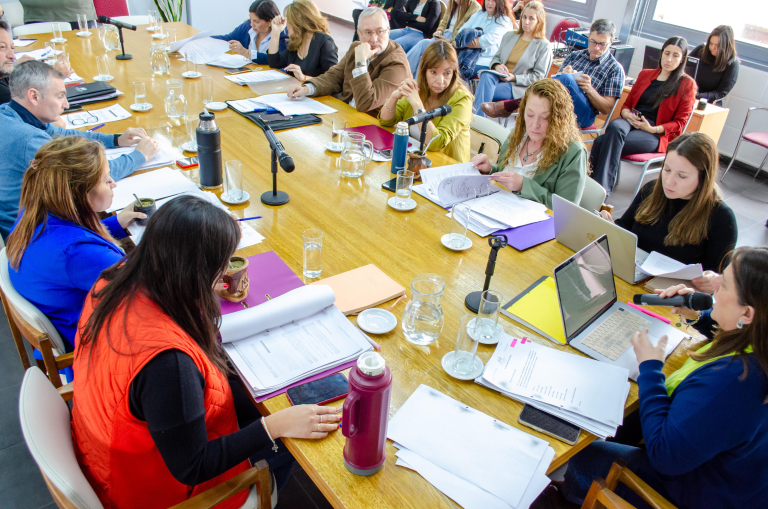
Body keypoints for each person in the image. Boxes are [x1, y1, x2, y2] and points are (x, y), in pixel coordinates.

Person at [71, 195, 342, 508]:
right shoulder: (167, 364)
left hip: (112, 447)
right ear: (194, 270)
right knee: (291, 446)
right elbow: (193, 466)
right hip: (156, 486)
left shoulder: (113, 279)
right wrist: (276, 425)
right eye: (221, 265)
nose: (226, 273)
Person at [536, 247, 768, 509]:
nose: (713, 283)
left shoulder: (732, 382)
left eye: (724, 284)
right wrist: (699, 315)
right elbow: (732, 337)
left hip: (702, 493)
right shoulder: (759, 347)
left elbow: (665, 456)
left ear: (747, 314)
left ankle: (570, 500)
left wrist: (650, 368)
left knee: (586, 457)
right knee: (619, 424)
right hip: (737, 477)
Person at [5, 137, 145, 351]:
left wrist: (116, 222)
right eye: (106, 180)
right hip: (97, 350)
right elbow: (147, 291)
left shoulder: (32, 215)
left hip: (68, 324)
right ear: (80, 194)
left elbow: (69, 240)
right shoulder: (77, 254)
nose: (113, 184)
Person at [0, 61, 158, 240]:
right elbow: (93, 175)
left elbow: (61, 134)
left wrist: (115, 140)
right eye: (60, 96)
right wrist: (140, 156)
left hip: (33, 223)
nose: (66, 104)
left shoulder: (9, 112)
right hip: (31, 235)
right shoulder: (29, 140)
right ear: (34, 96)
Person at [599, 132, 737, 273]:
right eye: (667, 169)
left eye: (682, 176)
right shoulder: (651, 190)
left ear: (703, 178)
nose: (669, 181)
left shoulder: (722, 218)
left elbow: (717, 273)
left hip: (674, 290)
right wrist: (609, 226)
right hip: (631, 273)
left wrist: (711, 278)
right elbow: (625, 228)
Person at [590, 36, 697, 194]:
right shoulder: (646, 74)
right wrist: (627, 115)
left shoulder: (686, 84)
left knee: (601, 141)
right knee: (615, 127)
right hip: (631, 120)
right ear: (661, 54)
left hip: (653, 133)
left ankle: (597, 190)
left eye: (675, 55)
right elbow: (626, 106)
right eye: (667, 53)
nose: (669, 59)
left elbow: (680, 123)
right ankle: (598, 191)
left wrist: (652, 129)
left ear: (682, 59)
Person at [482, 19, 625, 127]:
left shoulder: (614, 69)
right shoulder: (575, 56)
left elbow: (606, 108)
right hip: (557, 105)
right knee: (561, 79)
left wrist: (589, 89)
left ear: (611, 42)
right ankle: (514, 108)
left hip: (583, 115)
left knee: (565, 80)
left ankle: (511, 105)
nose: (597, 48)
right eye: (593, 42)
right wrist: (563, 73)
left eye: (602, 44)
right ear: (588, 36)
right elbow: (553, 82)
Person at [471, 78, 587, 208]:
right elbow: (506, 172)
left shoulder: (573, 152)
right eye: (530, 115)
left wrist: (523, 186)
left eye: (545, 118)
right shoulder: (519, 133)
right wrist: (490, 169)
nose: (534, 125)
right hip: (499, 208)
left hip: (534, 225)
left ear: (559, 118)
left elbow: (566, 210)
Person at [286, 7, 410, 117]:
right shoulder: (356, 47)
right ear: (359, 34)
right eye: (367, 32)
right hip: (344, 113)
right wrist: (307, 88)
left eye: (380, 31)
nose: (374, 39)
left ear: (388, 31)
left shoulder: (397, 63)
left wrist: (360, 62)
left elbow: (366, 103)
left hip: (371, 125)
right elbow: (335, 76)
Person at [380, 41, 473, 162]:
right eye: (433, 72)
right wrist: (394, 97)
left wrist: (417, 105)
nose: (440, 81)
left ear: (454, 73)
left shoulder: (462, 99)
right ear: (424, 72)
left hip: (447, 167)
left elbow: (436, 143)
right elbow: (385, 121)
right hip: (416, 161)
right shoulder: (418, 89)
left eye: (447, 73)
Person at [472, 1, 549, 117]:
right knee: (486, 76)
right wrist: (497, 66)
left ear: (539, 21)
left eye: (531, 19)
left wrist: (514, 78)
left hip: (517, 86)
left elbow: (538, 77)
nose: (526, 22)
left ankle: (477, 122)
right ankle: (479, 122)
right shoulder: (510, 36)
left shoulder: (543, 45)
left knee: (481, 92)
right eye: (524, 17)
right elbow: (496, 58)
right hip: (498, 77)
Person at [409, 0, 512, 81]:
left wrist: (460, 41)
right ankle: (415, 85)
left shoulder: (503, 21)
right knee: (428, 57)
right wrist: (462, 40)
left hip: (484, 60)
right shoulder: (480, 14)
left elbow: (482, 42)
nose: (490, 3)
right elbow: (461, 31)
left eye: (494, 0)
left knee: (443, 64)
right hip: (463, 51)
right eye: (488, 0)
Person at [0, 21, 74, 105]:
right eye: (2, 47)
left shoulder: (3, 77)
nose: (12, 55)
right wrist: (53, 76)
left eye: (12, 47)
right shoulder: (5, 96)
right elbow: (40, 107)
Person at [405, 0, 481, 77]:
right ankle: (403, 73)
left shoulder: (475, 7)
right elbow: (444, 22)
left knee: (425, 57)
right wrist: (439, 31)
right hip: (445, 35)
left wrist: (449, 41)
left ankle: (414, 83)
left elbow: (467, 35)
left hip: (455, 42)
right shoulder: (452, 3)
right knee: (422, 44)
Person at [267, 0, 338, 81]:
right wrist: (275, 32)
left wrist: (303, 77)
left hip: (316, 92)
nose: (286, 25)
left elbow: (332, 80)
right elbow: (274, 63)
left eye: (289, 21)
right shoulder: (296, 41)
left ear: (299, 22)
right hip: (296, 90)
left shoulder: (324, 41)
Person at [212, 0, 288, 66]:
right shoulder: (247, 27)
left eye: (256, 21)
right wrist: (205, 38)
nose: (251, 24)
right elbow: (227, 38)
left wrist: (246, 53)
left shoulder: (282, 35)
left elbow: (276, 60)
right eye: (251, 19)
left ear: (270, 21)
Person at [689, 25, 740, 106]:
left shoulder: (732, 63)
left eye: (717, 45)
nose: (713, 47)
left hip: (710, 102)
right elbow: (684, 69)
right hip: (689, 95)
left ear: (726, 46)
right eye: (711, 43)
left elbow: (720, 93)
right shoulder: (701, 50)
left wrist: (696, 95)